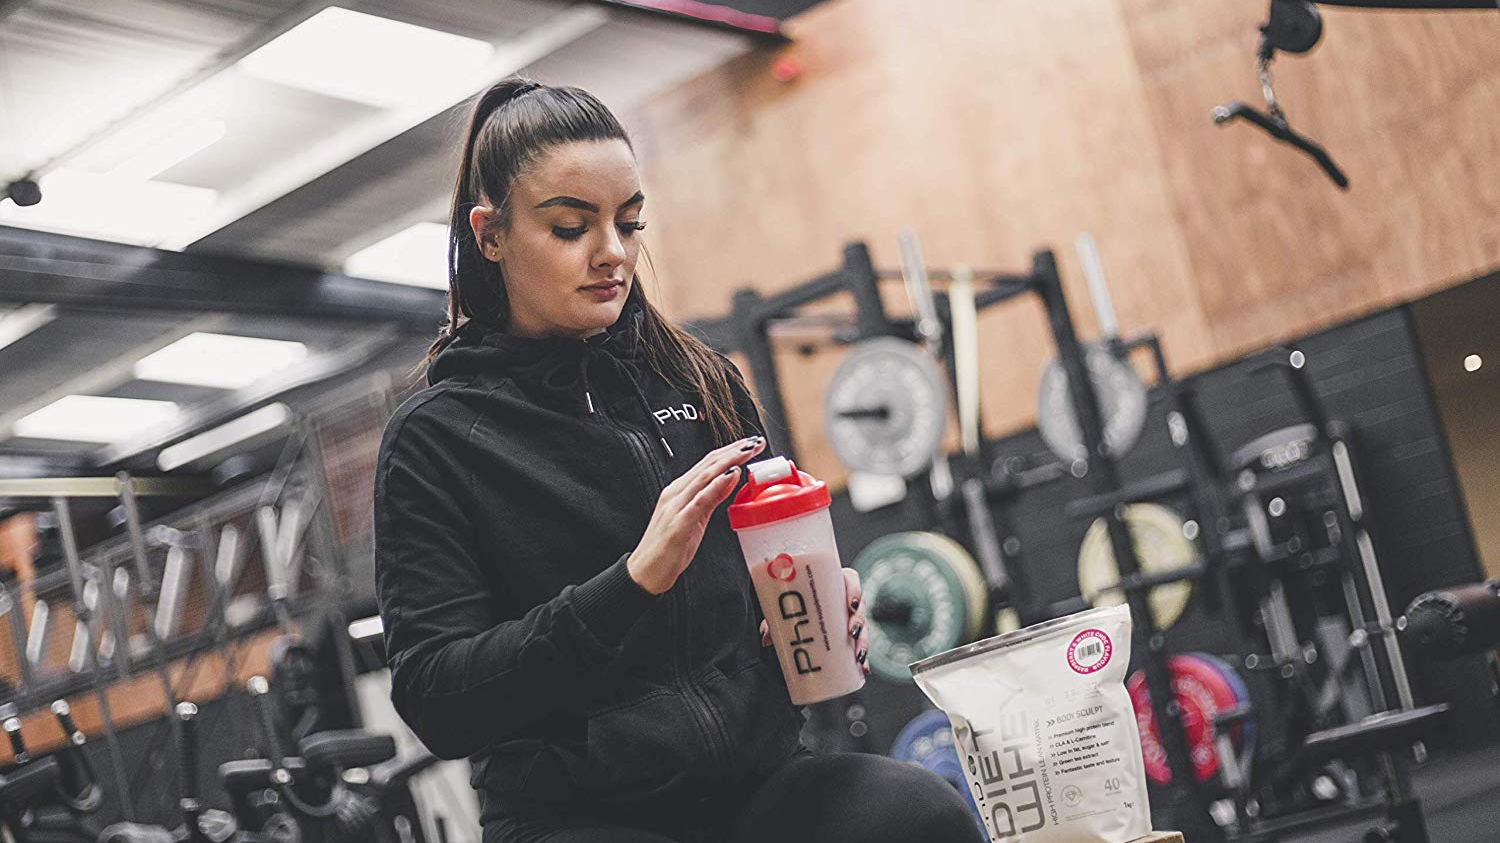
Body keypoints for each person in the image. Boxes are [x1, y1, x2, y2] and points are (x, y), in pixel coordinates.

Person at [373, 78, 982, 843]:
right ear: (490, 234)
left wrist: (813, 600)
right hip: (578, 816)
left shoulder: (697, 378)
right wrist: (633, 583)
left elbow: (774, 551)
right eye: (570, 228)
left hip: (755, 785)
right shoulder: (436, 441)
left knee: (919, 813)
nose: (612, 254)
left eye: (630, 224)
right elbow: (438, 701)